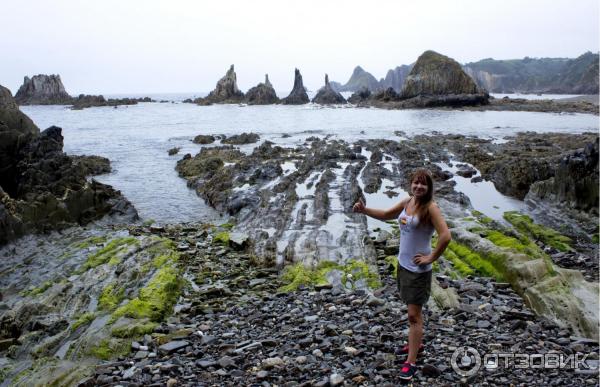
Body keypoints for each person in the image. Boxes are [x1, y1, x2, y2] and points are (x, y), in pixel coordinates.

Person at [353, 168, 451, 381]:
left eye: (423, 184)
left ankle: (411, 362)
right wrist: (364, 210)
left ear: (429, 187)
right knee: (410, 310)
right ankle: (416, 342)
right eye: (416, 182)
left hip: (418, 271)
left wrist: (431, 257)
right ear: (411, 184)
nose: (418, 187)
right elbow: (388, 215)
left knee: (414, 316)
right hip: (403, 265)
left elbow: (445, 236)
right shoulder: (408, 201)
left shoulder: (430, 208)